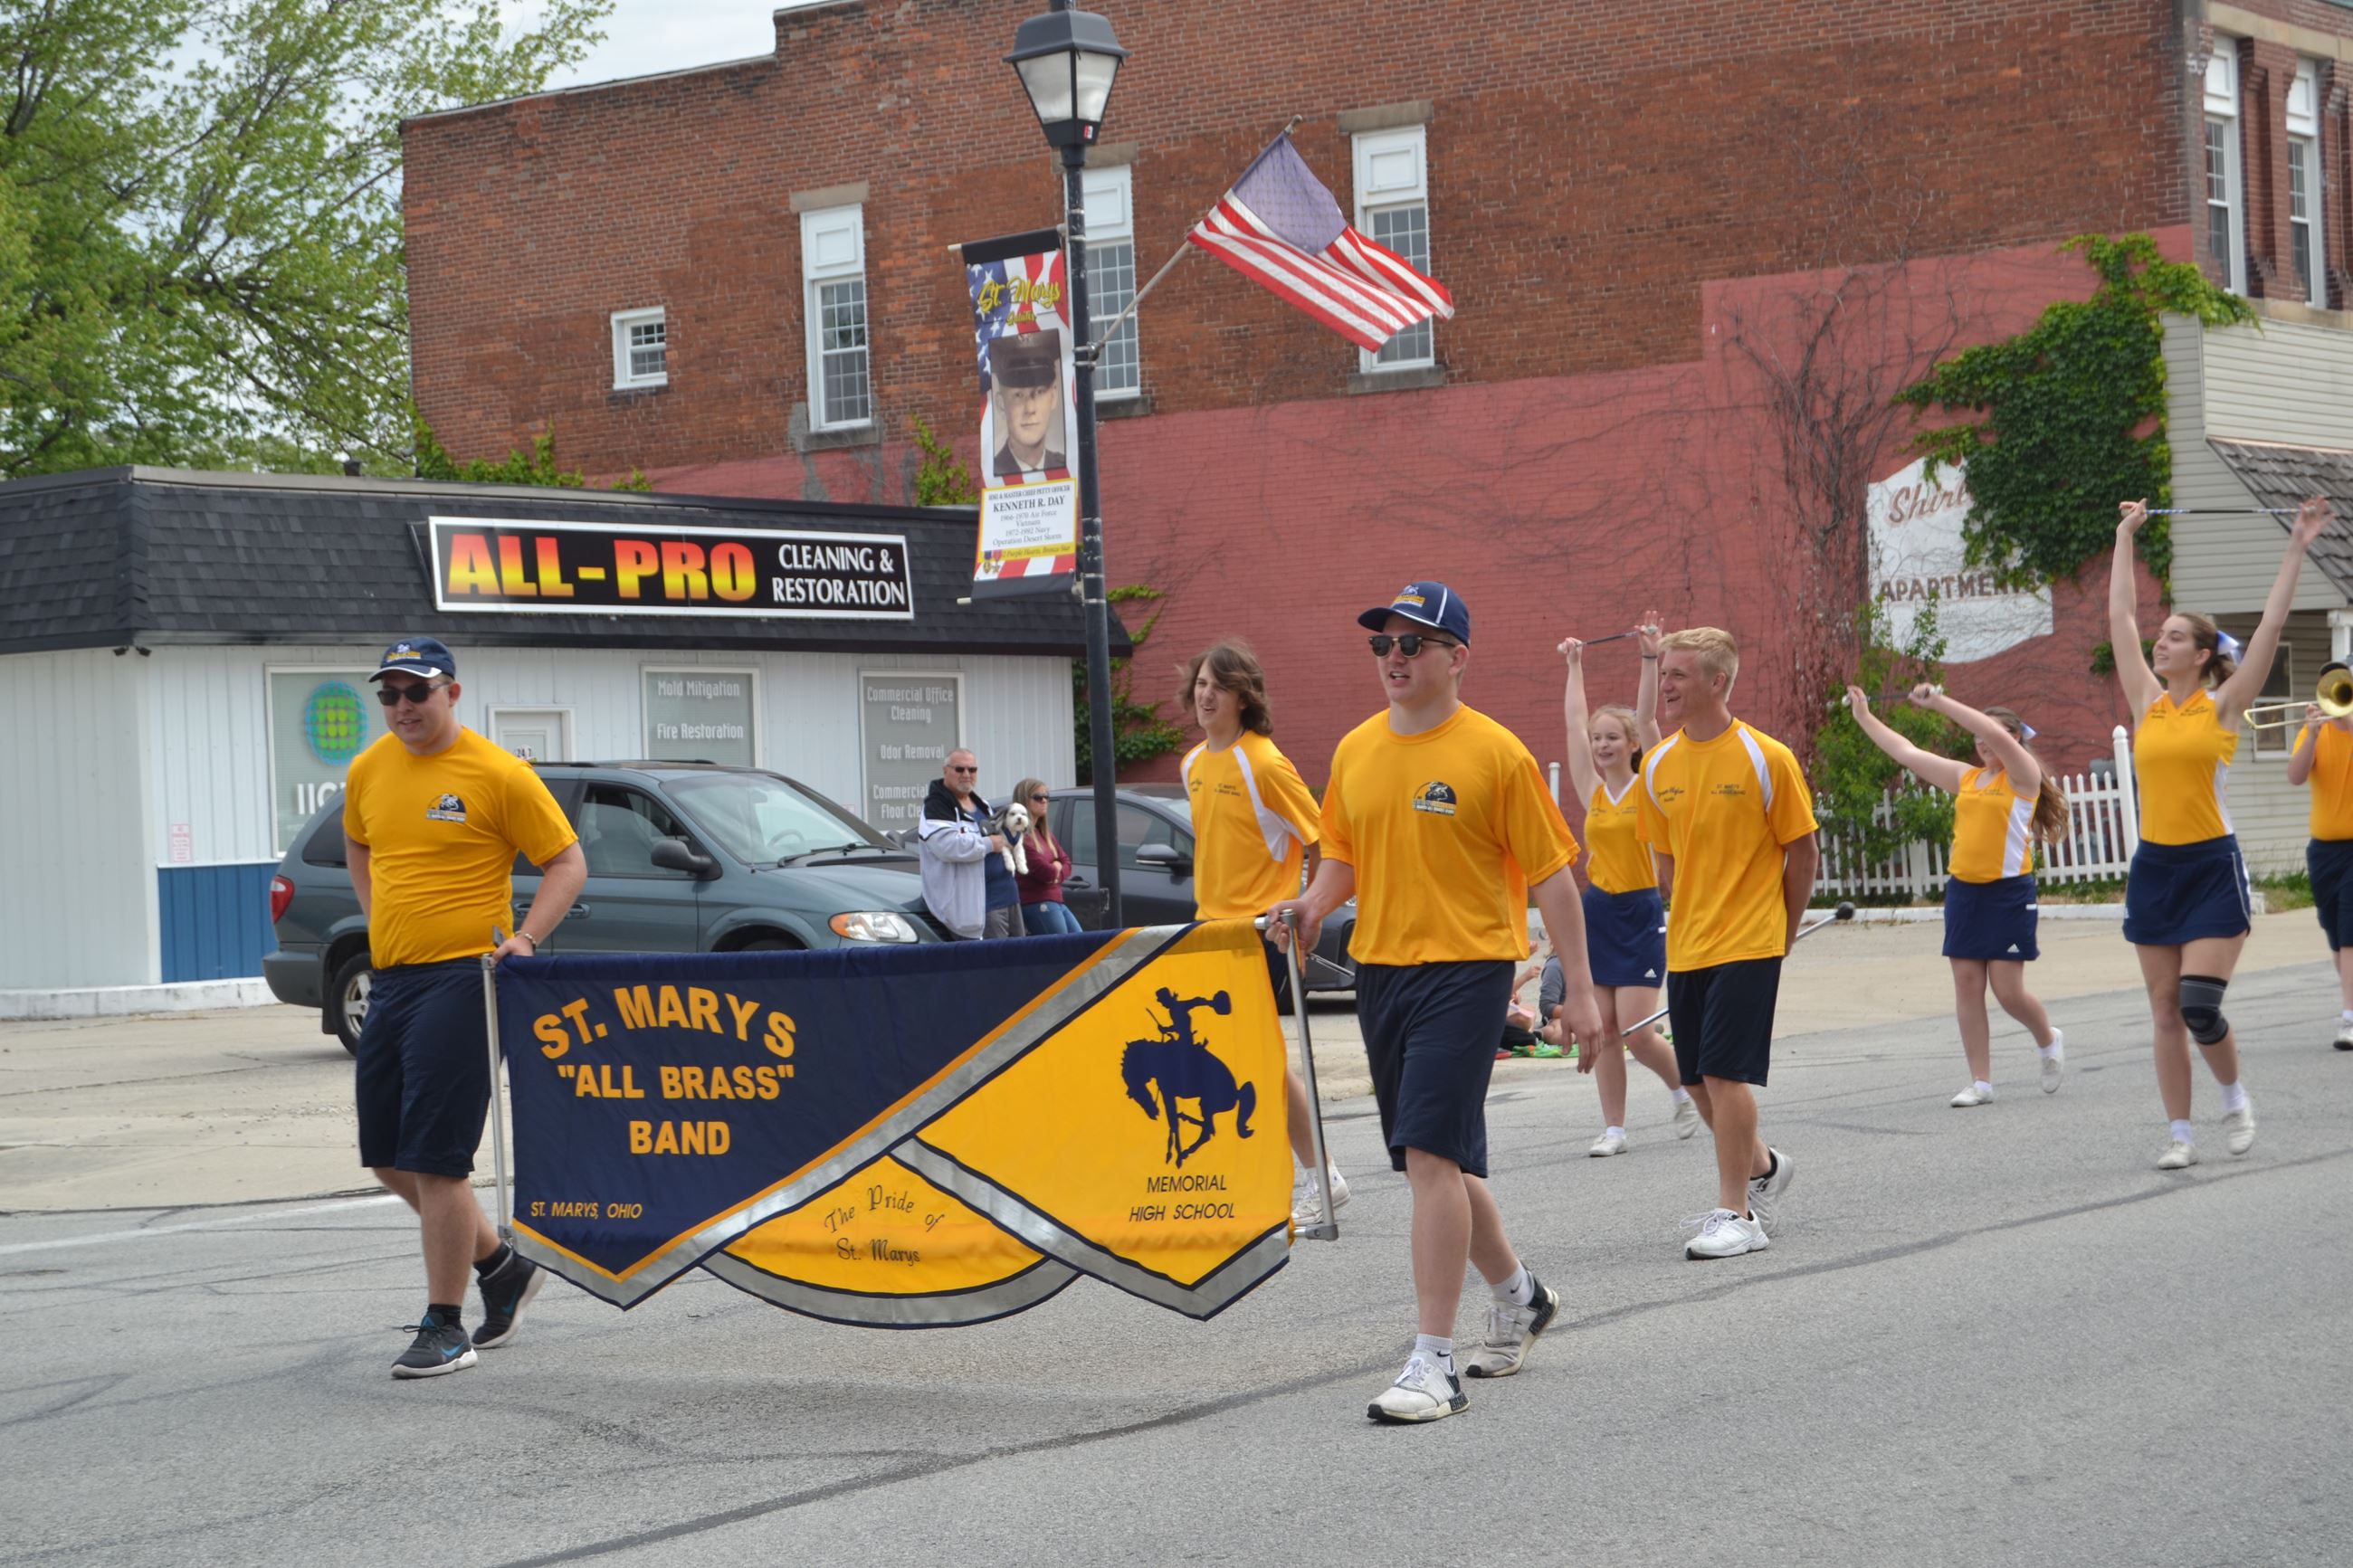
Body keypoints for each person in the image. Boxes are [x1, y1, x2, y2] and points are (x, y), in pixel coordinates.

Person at [1271, 583, 1604, 1424]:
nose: (1394, 657)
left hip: (1470, 970)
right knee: (1440, 1161)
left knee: (1427, 1156)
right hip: (1382, 971)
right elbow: (1344, 854)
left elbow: (1554, 875)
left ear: (1457, 657)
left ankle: (1434, 1362)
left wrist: (1584, 990)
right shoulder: (1354, 751)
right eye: (1383, 643)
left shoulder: (1495, 754)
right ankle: (1521, 1296)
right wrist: (1313, 905)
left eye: (1413, 644)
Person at [341, 636, 586, 1378]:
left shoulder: (498, 773)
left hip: (466, 978)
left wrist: (526, 938)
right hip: (395, 978)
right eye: (389, 694)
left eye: (417, 691)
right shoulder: (368, 769)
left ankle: (445, 1326)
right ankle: (500, 1265)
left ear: (451, 691)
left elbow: (567, 860)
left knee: (435, 1157)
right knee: (386, 1154)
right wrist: (379, 913)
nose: (402, 707)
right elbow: (358, 842)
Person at [2110, 496, 2329, 1167]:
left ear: (2203, 654)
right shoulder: (2147, 702)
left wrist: (2296, 543)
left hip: (2210, 866)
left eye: (2176, 635)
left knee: (2200, 1004)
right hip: (2154, 868)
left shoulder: (2225, 707)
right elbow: (2119, 615)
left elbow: (2271, 623)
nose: (2161, 640)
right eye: (2163, 633)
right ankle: (2180, 1132)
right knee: (2164, 1009)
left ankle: (2234, 1097)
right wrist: (2125, 536)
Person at [1637, 626, 1817, 1261]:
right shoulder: (1658, 765)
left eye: (1679, 674)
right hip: (1688, 942)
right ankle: (1764, 1164)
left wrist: (1783, 931)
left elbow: (1802, 851)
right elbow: (1664, 862)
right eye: (1664, 673)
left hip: (1750, 937)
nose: (1667, 684)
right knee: (1694, 1079)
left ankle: (1737, 1212)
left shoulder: (1766, 757)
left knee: (1723, 1069)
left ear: (1718, 682)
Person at [1176, 640, 1348, 1227]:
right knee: (1233, 1061)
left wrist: (1306, 905)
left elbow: (1326, 839)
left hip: (1260, 933)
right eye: (1200, 683)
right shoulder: (1192, 764)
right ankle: (1286, 1174)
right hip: (1210, 931)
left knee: (1262, 1061)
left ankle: (1322, 1174)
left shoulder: (1265, 762)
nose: (1205, 694)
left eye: (1218, 686)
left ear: (1243, 697)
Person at [1842, 683, 2068, 1106]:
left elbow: (1996, 735)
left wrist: (1941, 702)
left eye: (1991, 735)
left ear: (2014, 738)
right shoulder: (1967, 778)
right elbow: (1907, 753)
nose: (1982, 743)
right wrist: (1865, 717)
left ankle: (2047, 1038)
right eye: (1976, 738)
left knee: (2008, 992)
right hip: (1965, 891)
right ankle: (1980, 1081)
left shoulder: (2023, 777)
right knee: (1967, 984)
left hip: (2009, 893)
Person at [1556, 613, 1699, 1154]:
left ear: (1632, 742)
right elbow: (1572, 724)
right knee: (1606, 1030)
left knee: (1640, 1031)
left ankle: (1683, 1088)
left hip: (1640, 913)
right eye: (1598, 739)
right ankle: (1614, 1127)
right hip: (1598, 913)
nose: (1601, 745)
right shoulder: (1591, 786)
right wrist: (1574, 665)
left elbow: (1647, 715)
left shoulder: (1651, 783)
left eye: (1612, 737)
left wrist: (1648, 656)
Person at [2287, 661, 2353, 1050]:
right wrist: (2311, 736)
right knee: (2335, 935)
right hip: (2323, 850)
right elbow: (2295, 776)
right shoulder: (2311, 733)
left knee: (2350, 933)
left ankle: (2348, 1018)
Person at [917, 750, 1022, 939]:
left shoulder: (981, 804)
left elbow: (1001, 837)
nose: (966, 774)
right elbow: (948, 847)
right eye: (960, 769)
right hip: (978, 909)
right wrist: (990, 844)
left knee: (1022, 962)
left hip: (1008, 898)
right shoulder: (936, 807)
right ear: (945, 771)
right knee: (996, 966)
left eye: (972, 769)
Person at [988, 330, 1068, 477]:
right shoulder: (994, 472)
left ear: (1054, 396)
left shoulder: (1065, 465)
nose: (1030, 409)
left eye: (1039, 392)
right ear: (1001, 405)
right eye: (1018, 395)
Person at [1011, 776, 1082, 935]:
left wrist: (1056, 869)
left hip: (1056, 900)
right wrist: (1056, 868)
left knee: (1080, 944)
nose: (1044, 801)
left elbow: (1067, 862)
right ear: (1024, 801)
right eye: (1038, 797)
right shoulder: (1020, 837)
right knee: (1060, 951)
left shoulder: (1044, 833)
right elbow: (1047, 873)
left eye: (1046, 797)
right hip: (1037, 902)